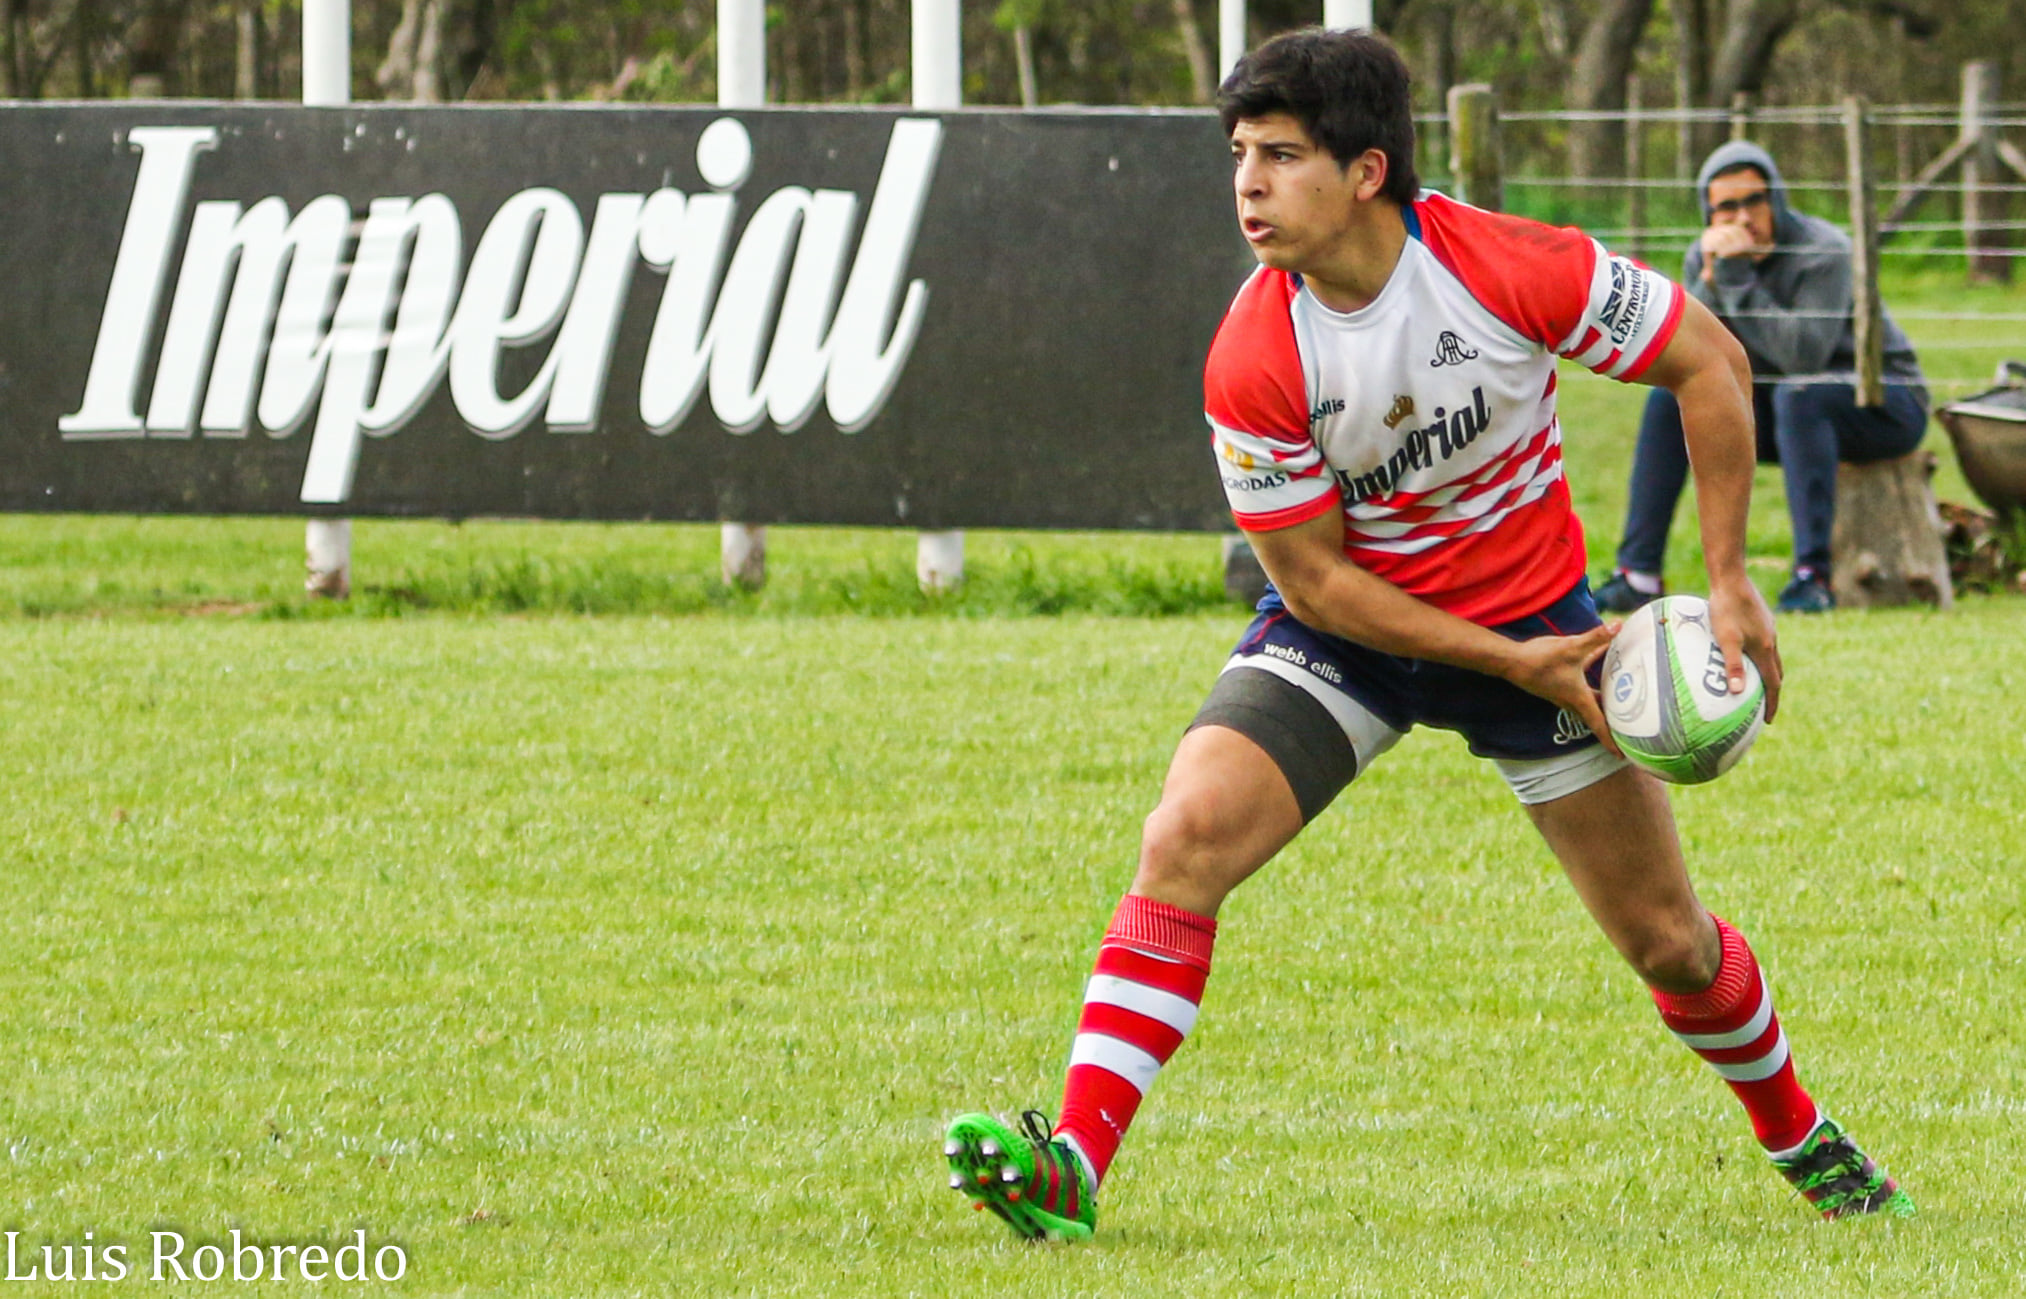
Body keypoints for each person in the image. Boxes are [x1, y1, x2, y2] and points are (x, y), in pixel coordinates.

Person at [940, 27, 1913, 1243]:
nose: (1247, 182)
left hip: (1541, 625)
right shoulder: (1253, 351)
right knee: (1182, 836)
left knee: (1668, 945)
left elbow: (1707, 364)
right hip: (1359, 635)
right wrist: (1511, 664)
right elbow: (1310, 581)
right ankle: (1071, 1162)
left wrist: (1726, 581)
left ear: (1365, 172)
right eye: (1239, 153)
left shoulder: (1505, 266)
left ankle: (1796, 1135)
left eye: (1282, 155)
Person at [1595, 140, 1930, 616]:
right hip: (1789, 411)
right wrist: (1709, 282)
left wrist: (1733, 279)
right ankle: (1638, 575)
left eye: (1754, 200)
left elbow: (1803, 355)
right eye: (1726, 207)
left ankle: (1811, 578)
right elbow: (1688, 357)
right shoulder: (1705, 258)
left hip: (1883, 403)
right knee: (1670, 399)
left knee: (1801, 396)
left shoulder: (1823, 250)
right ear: (1708, 215)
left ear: (1776, 198)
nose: (1743, 217)